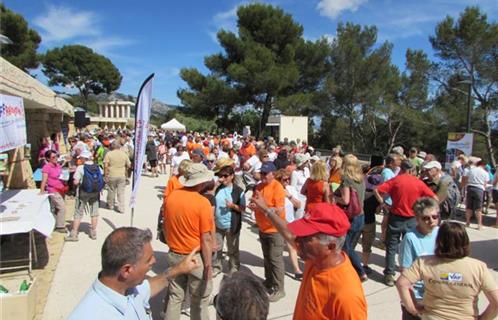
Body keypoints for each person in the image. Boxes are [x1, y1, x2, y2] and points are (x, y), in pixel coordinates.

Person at [250, 198, 368, 319]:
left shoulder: (347, 295)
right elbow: (289, 233)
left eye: (307, 238)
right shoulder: (315, 259)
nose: (298, 240)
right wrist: (266, 210)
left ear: (330, 246)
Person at [68, 227, 201, 319]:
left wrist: (179, 269)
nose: (154, 261)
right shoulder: (89, 315)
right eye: (148, 260)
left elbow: (148, 287)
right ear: (127, 270)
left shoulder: (127, 288)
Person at [396, 222, 498, 320]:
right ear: (465, 241)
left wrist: (413, 308)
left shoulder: (424, 262)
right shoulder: (478, 267)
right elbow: (496, 302)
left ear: (439, 241)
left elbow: (402, 284)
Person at [163, 163, 215, 320]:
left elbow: (165, 226)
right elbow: (206, 239)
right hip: (195, 257)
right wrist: (208, 266)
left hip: (174, 253)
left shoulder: (172, 196)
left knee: (175, 297)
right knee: (199, 299)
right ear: (200, 182)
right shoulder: (202, 203)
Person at [374, 160, 438, 286]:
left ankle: (389, 275)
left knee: (392, 246)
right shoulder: (418, 183)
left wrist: (383, 203)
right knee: (411, 246)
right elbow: (434, 198)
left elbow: (377, 190)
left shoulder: (395, 181)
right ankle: (411, 274)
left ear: (401, 168)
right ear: (412, 169)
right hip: (412, 219)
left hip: (395, 217)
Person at [248, 162, 287, 302]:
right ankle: (269, 281)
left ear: (273, 174)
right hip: (263, 228)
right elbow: (255, 203)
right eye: (262, 173)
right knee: (267, 257)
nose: (263, 175)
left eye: (266, 173)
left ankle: (279, 289)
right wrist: (253, 205)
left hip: (275, 229)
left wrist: (263, 207)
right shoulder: (258, 186)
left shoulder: (277, 187)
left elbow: (280, 209)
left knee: (275, 259)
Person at [398, 197, 440, 320]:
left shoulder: (441, 233)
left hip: (436, 295)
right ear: (417, 219)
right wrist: (412, 304)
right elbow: (405, 272)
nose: (431, 221)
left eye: (434, 217)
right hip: (418, 297)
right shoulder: (410, 238)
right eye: (425, 218)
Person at [335, 154, 367, 281]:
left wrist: (334, 197)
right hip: (361, 215)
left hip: (350, 217)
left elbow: (346, 200)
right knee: (350, 246)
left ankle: (360, 272)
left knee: (345, 246)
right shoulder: (361, 179)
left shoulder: (346, 179)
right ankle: (351, 271)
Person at [212, 165, 246, 277]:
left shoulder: (238, 191)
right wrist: (214, 187)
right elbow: (209, 199)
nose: (223, 178)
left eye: (225, 176)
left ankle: (234, 268)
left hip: (231, 225)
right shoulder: (218, 188)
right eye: (221, 176)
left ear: (232, 176)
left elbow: (243, 208)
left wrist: (232, 206)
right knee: (217, 248)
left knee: (232, 250)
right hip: (217, 225)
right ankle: (216, 267)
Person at [65, 150, 102, 241]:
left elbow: (76, 181)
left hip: (83, 193)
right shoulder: (97, 167)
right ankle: (93, 232)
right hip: (95, 193)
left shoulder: (81, 168)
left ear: (83, 158)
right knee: (94, 212)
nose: (80, 160)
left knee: (78, 212)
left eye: (80, 158)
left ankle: (74, 234)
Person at [275, 169, 303, 279]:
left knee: (292, 246)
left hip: (289, 223)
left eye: (288, 179)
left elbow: (299, 205)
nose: (287, 182)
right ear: (278, 180)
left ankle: (297, 270)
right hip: (277, 224)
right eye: (284, 180)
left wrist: (289, 196)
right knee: (277, 248)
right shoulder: (274, 190)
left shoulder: (291, 189)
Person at [39, 150, 67, 233]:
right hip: (53, 190)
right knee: (62, 208)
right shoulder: (46, 167)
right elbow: (44, 180)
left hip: (61, 189)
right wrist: (42, 190)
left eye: (56, 156)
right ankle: (60, 226)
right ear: (48, 158)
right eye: (53, 157)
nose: (56, 158)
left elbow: (60, 175)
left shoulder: (57, 165)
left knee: (57, 209)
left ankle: (54, 223)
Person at [104, 141, 131, 214]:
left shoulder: (109, 154)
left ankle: (110, 205)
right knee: (121, 192)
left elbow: (106, 166)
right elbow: (129, 165)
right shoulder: (124, 154)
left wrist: (105, 175)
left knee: (111, 190)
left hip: (111, 174)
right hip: (121, 175)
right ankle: (121, 208)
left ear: (112, 146)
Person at [465, 160, 489, 230]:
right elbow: (485, 184)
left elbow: (467, 179)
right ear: (483, 165)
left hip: (470, 187)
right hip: (479, 189)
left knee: (469, 207)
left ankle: (467, 222)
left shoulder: (471, 170)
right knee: (479, 208)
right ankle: (479, 225)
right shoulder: (485, 172)